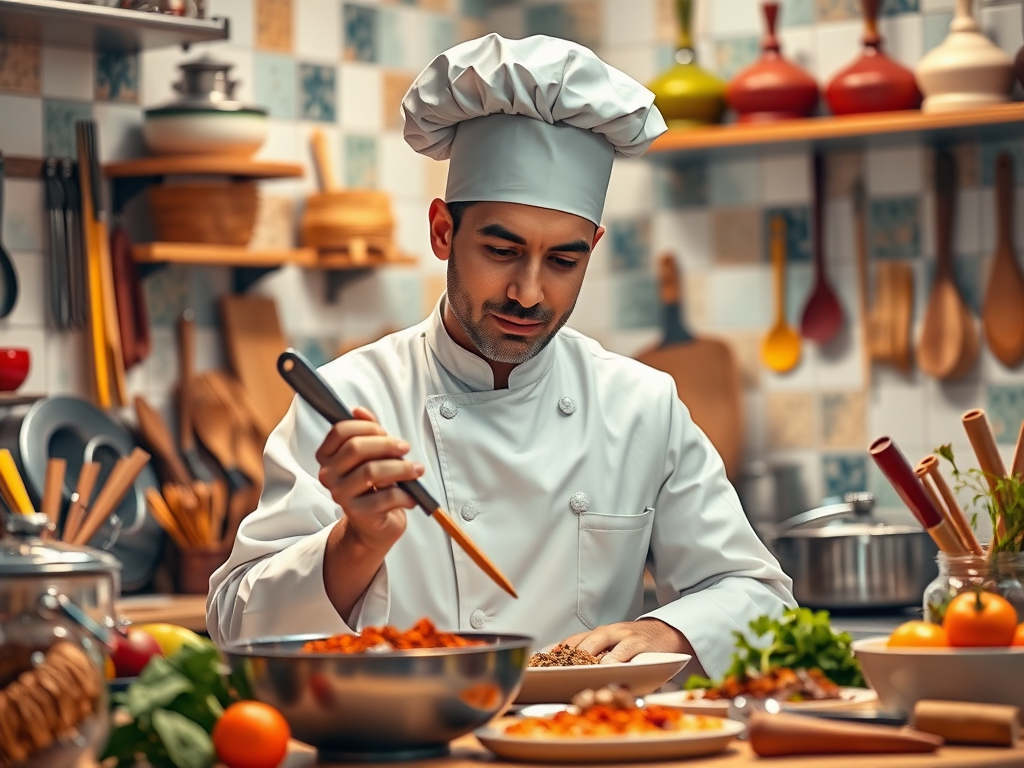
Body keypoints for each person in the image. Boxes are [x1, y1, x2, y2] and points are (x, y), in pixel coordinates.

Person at [207, 33, 795, 680]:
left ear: (593, 248)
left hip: (588, 741)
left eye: (564, 260)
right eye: (502, 250)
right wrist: (356, 543)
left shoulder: (639, 405)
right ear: (442, 232)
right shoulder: (349, 401)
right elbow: (235, 623)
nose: (529, 292)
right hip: (413, 742)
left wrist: (668, 628)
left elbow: (760, 596)